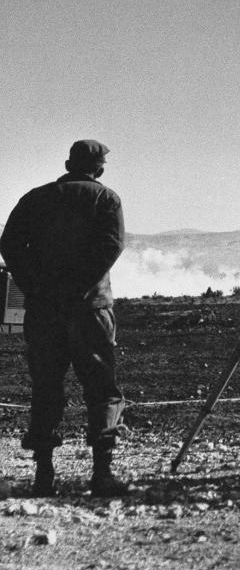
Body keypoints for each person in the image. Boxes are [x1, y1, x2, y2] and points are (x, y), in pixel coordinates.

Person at [0, 139, 127, 497]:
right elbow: (111, 246)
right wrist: (79, 287)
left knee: (46, 387)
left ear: (68, 162)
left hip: (44, 310)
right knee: (102, 389)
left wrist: (34, 287)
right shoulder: (107, 200)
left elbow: (9, 244)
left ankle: (44, 474)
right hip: (91, 309)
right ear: (99, 169)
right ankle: (102, 473)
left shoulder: (35, 198)